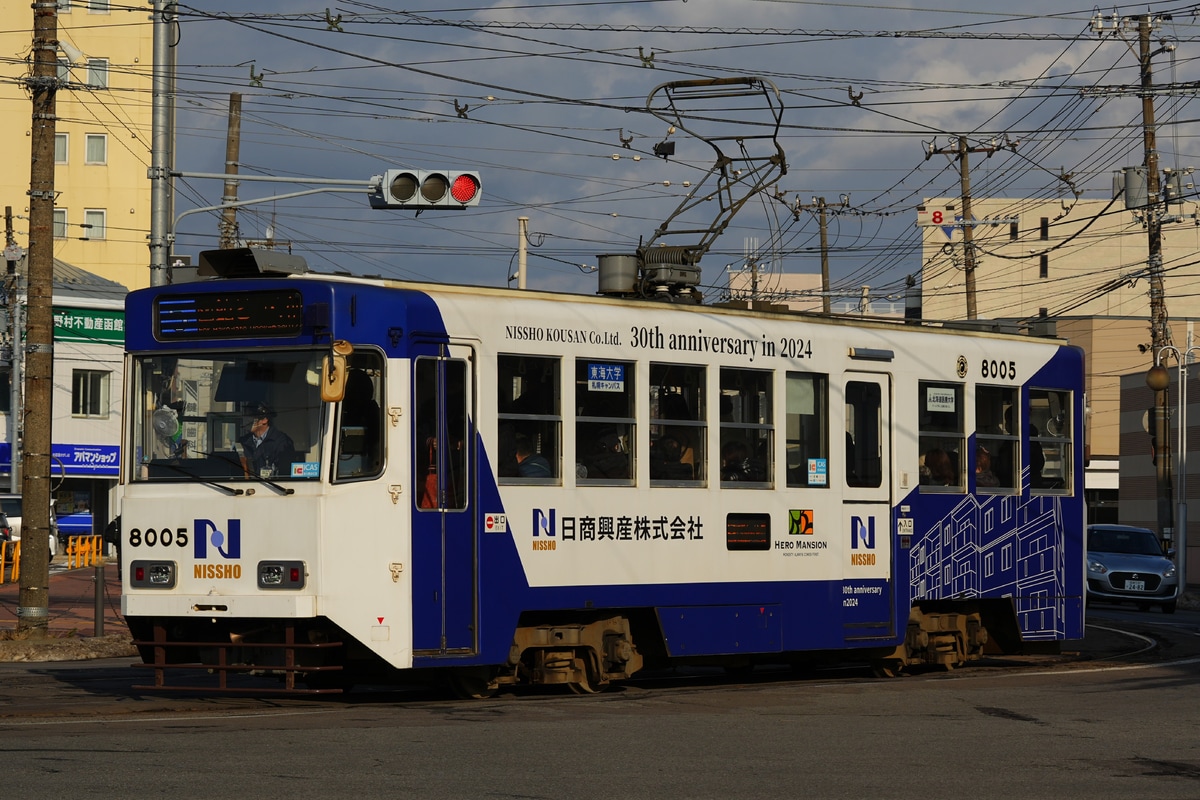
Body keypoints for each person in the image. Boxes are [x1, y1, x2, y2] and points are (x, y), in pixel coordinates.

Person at [238, 402, 296, 478]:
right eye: (245, 416)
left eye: (250, 416)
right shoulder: (243, 441)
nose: (246, 420)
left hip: (272, 487)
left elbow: (285, 474)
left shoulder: (282, 442)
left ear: (264, 420)